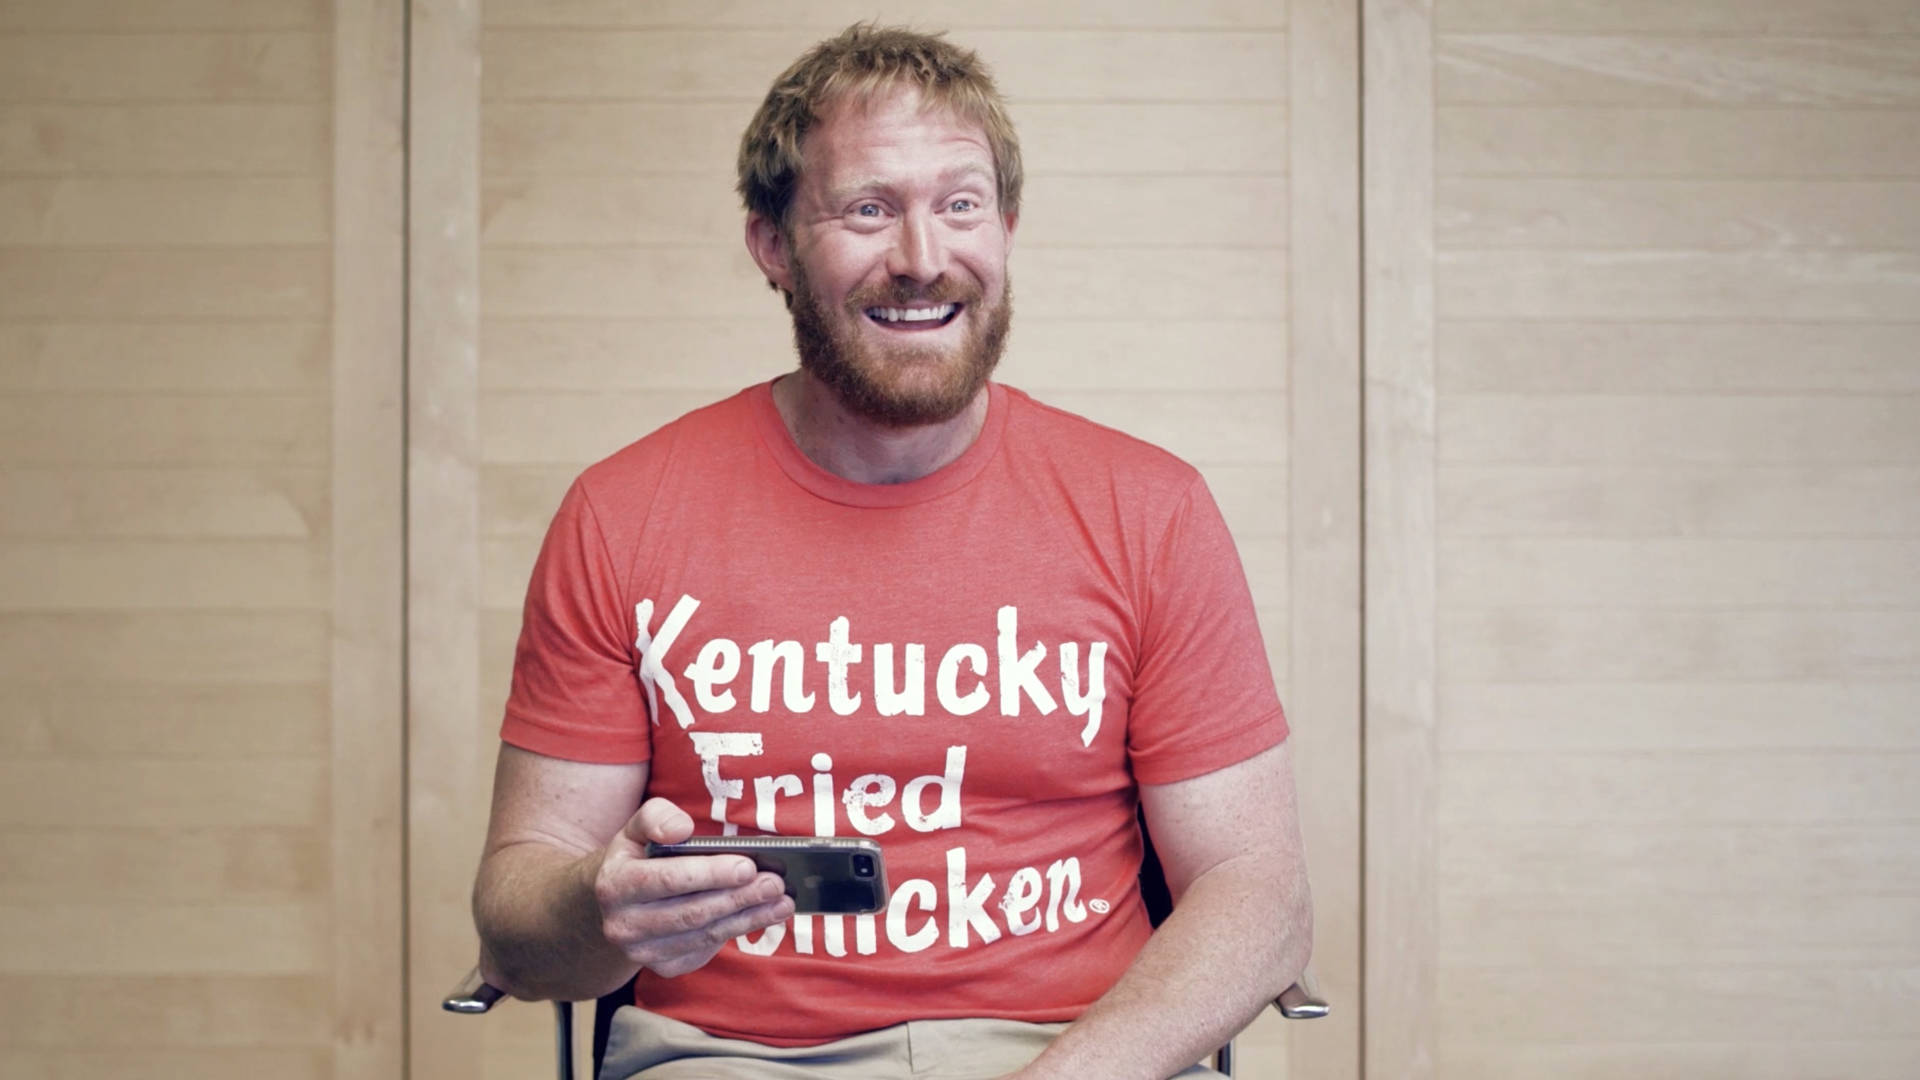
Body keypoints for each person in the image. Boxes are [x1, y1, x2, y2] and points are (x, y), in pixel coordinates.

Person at [471, 23, 1312, 1080]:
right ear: (772, 244)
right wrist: (597, 907)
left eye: (960, 205)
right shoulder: (622, 516)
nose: (922, 258)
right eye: (867, 210)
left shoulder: (1152, 511)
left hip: (1078, 1055)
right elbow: (518, 925)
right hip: (734, 1060)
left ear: (1005, 228)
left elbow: (1259, 892)